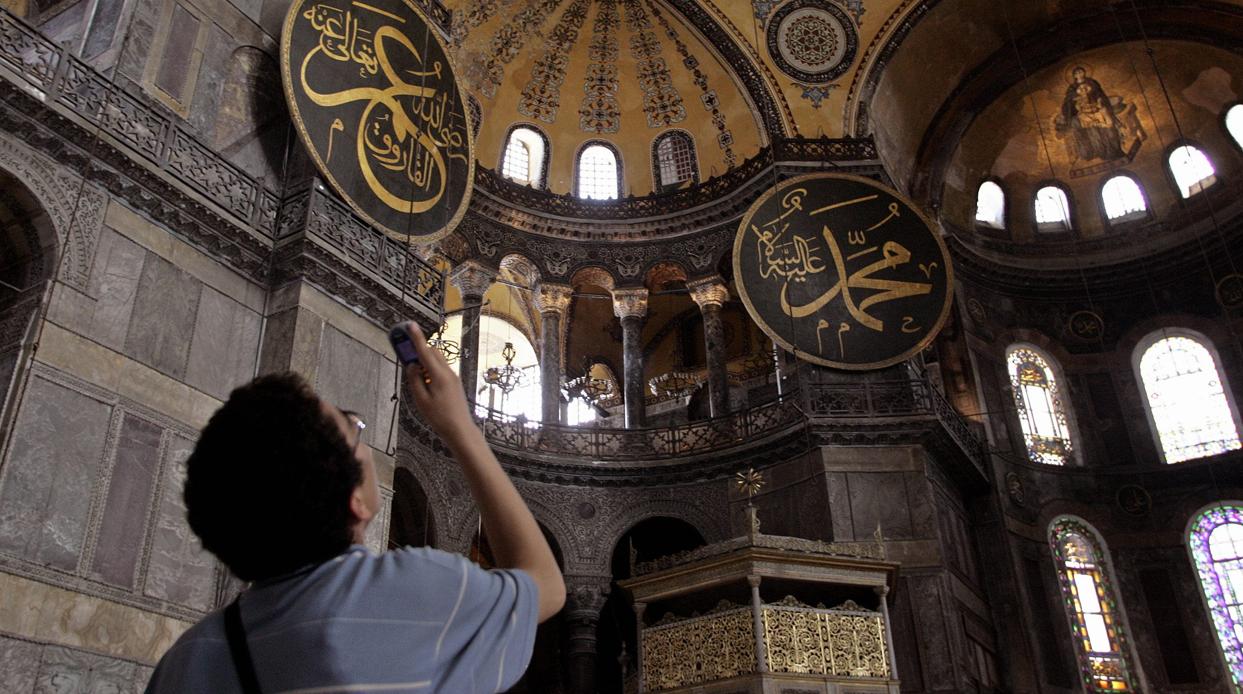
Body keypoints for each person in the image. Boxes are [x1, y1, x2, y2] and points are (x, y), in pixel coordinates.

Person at [144, 323, 565, 693]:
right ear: (356, 503)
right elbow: (545, 584)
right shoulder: (412, 597)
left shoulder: (187, 659)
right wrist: (461, 427)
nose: (364, 439)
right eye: (354, 427)